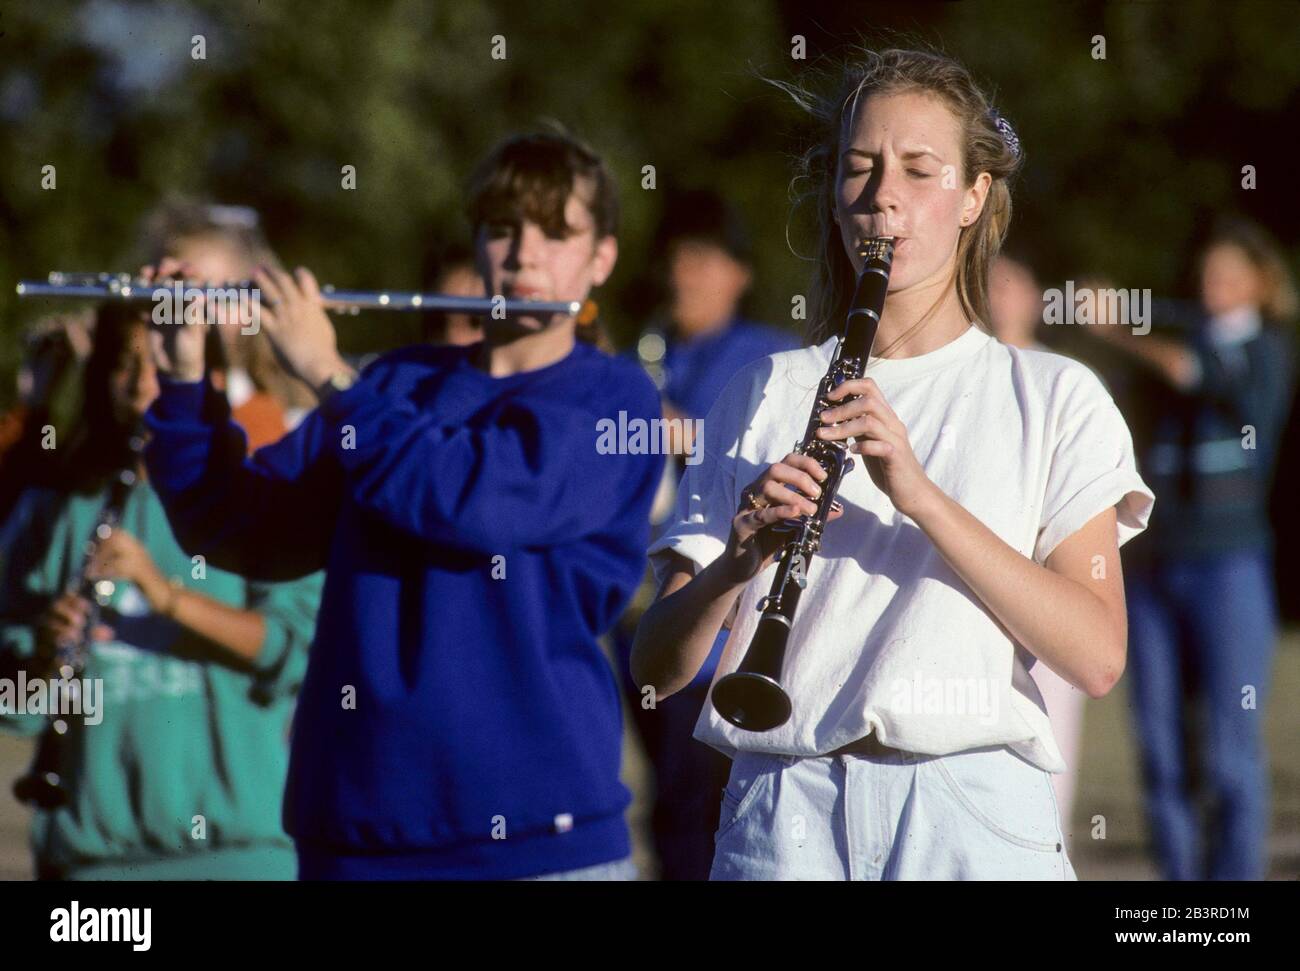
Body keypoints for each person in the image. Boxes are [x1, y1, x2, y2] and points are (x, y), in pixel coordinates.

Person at [631, 46, 1154, 880]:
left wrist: (921, 496)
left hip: (970, 809)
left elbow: (1094, 656)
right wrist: (739, 559)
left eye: (919, 170)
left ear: (974, 196)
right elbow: (658, 666)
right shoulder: (766, 386)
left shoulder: (1052, 393)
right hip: (782, 804)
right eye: (860, 168)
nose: (882, 198)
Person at [142, 130, 664, 880]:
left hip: (536, 845)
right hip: (357, 837)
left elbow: (474, 501)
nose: (524, 254)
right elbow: (243, 529)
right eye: (502, 228)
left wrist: (326, 370)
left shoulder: (615, 400)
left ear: (601, 258)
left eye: (557, 231)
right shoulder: (393, 383)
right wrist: (186, 381)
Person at [0, 304, 323, 880]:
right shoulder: (53, 510)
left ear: (211, 377)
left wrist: (165, 595)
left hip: (240, 855)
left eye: (161, 360)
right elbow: (16, 709)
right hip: (95, 863)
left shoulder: (261, 493)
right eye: (123, 364)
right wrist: (47, 652)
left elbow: (294, 653)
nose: (141, 382)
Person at [1079, 216, 1297, 880]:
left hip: (1229, 565)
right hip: (1151, 568)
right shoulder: (1177, 337)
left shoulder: (1265, 348)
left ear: (1262, 286)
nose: (1214, 288)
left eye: (1231, 276)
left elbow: (1194, 371)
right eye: (1207, 275)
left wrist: (1116, 329)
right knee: (1162, 752)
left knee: (1231, 752)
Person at [617, 190, 798, 879]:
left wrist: (670, 420)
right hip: (643, 610)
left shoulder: (767, 358)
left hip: (724, 626)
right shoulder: (651, 346)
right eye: (676, 258)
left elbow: (756, 458)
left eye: (702, 258)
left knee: (713, 812)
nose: (682, 274)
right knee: (668, 805)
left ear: (738, 274)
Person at [986, 250, 1087, 850]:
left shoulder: (1062, 383)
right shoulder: (962, 377)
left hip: (1043, 591)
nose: (997, 297)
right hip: (970, 592)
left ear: (1034, 299)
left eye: (1010, 285)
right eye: (987, 284)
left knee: (1052, 748)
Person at [142, 199, 317, 440]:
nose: (198, 310)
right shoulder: (136, 393)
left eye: (221, 297)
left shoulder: (279, 421)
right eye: (179, 294)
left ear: (250, 309)